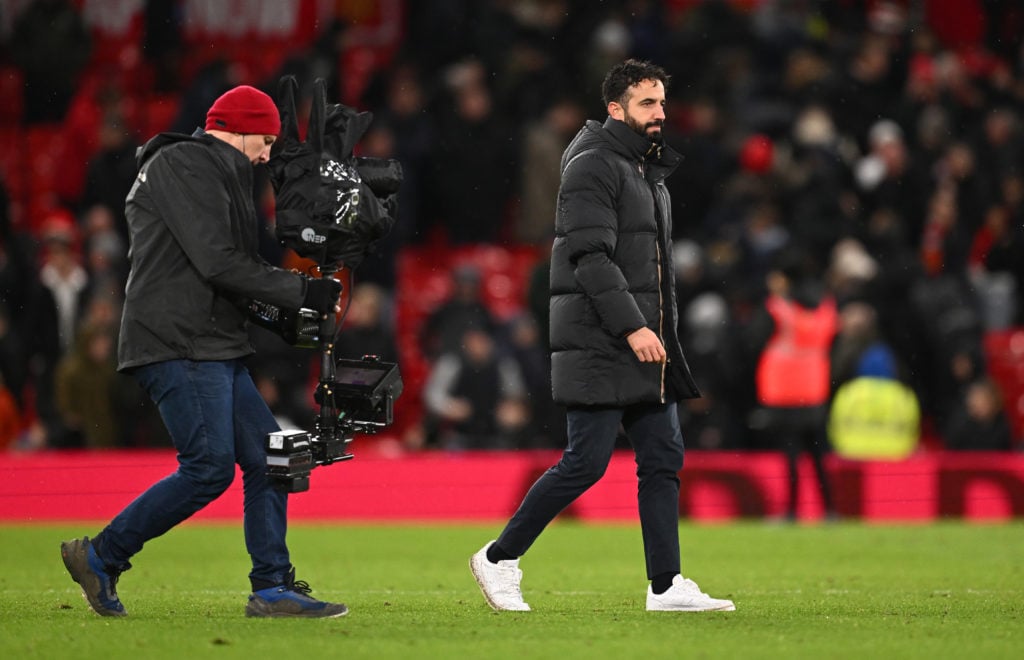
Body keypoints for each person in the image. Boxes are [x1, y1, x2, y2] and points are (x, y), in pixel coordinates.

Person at [60, 85, 348, 618]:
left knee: (272, 460)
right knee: (209, 468)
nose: (267, 154)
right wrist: (299, 290)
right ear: (235, 129)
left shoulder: (211, 171)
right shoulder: (184, 164)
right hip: (179, 340)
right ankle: (101, 555)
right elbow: (219, 263)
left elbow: (224, 272)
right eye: (263, 141)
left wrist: (282, 316)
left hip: (207, 339)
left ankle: (271, 588)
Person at [470, 60, 735, 613]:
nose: (660, 113)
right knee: (585, 462)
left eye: (662, 102)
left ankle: (665, 585)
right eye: (646, 103)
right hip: (603, 339)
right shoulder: (594, 165)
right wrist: (634, 325)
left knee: (663, 456)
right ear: (615, 109)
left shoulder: (643, 170)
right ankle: (498, 558)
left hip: (642, 341)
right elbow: (588, 258)